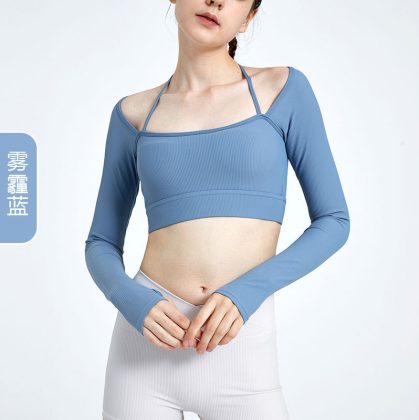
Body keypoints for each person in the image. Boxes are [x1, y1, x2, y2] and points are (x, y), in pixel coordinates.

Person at [84, 0, 350, 419]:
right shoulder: (134, 114)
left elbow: (334, 221)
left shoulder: (282, 91)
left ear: (248, 18)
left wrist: (247, 292)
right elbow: (101, 242)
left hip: (241, 347)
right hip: (145, 353)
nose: (216, 1)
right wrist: (132, 300)